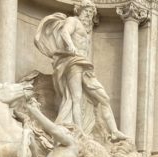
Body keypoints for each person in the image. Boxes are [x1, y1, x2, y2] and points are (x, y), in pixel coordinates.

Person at [34, 0, 127, 141]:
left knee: (104, 98)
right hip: (73, 62)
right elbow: (65, 32)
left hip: (85, 65)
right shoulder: (73, 21)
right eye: (87, 11)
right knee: (76, 98)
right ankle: (80, 132)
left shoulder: (86, 30)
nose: (88, 14)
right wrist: (71, 46)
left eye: (91, 12)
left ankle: (114, 131)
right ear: (79, 10)